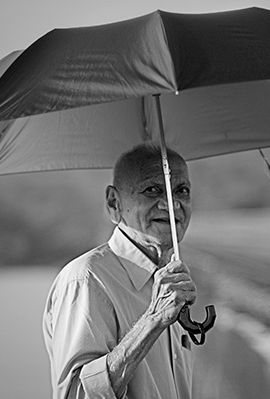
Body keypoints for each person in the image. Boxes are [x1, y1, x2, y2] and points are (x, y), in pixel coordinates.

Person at [43, 143, 197, 399]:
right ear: (114, 203)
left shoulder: (170, 281)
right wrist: (153, 321)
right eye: (152, 190)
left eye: (181, 190)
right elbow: (76, 395)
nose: (171, 204)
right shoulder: (86, 279)